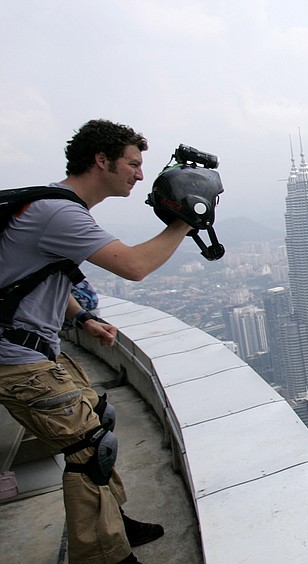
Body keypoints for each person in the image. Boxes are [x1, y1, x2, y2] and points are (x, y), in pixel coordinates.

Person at [0, 119, 195, 563]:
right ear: (101, 161)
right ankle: (105, 555)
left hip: (32, 348)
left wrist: (81, 317)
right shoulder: (61, 212)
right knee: (89, 449)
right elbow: (133, 266)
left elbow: (30, 278)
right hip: (17, 360)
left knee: (98, 421)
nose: (140, 175)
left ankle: (115, 524)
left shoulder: (55, 206)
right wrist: (186, 219)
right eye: (132, 163)